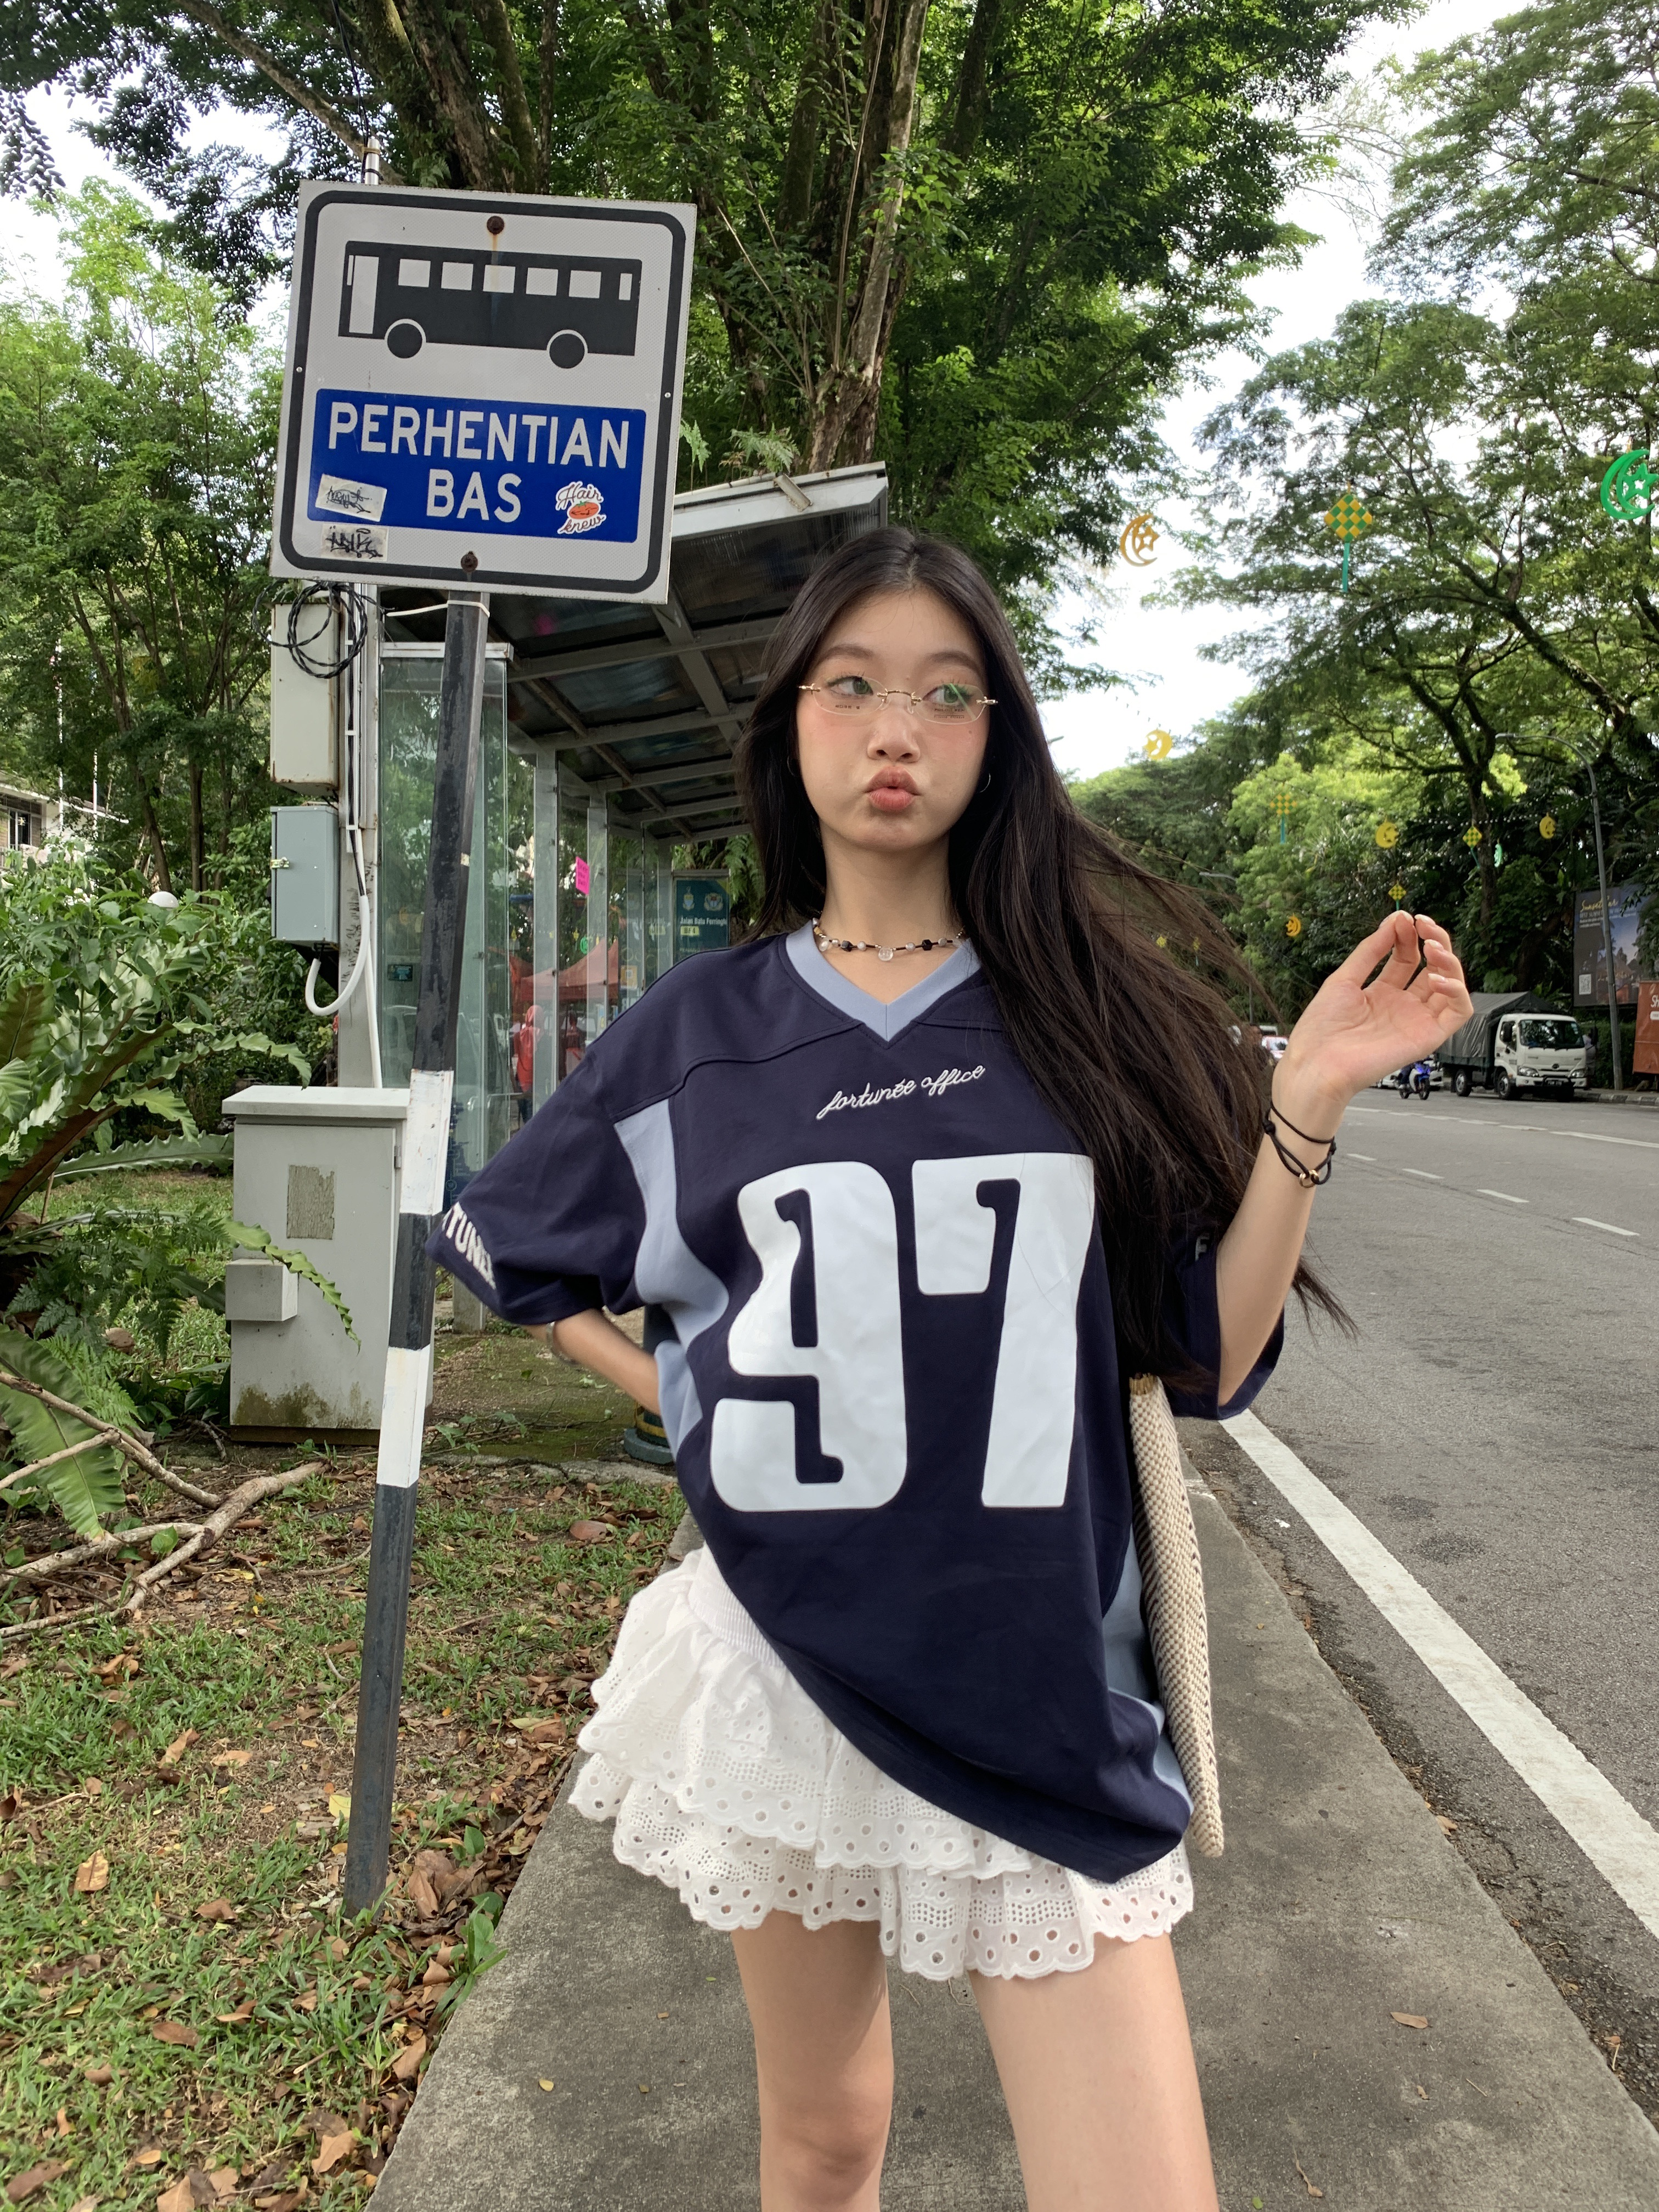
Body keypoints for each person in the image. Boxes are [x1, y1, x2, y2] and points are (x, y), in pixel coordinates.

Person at [431, 529, 1472, 2212]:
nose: (892, 728)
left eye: (942, 692)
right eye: (851, 686)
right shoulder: (692, 1034)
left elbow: (1204, 1355)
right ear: (794, 730)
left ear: (999, 737)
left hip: (1039, 1681)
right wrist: (685, 1398)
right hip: (782, 1654)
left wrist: (1312, 1108)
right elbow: (520, 1251)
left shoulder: (1092, 1020)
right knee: (825, 2140)